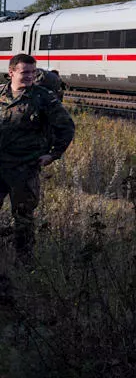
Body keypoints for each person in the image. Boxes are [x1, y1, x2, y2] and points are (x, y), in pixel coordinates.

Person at [1, 54, 74, 260]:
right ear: (11, 72)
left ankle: (24, 262)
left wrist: (53, 154)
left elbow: (66, 127)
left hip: (24, 169)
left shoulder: (43, 98)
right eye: (25, 72)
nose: (30, 77)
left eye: (33, 72)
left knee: (23, 218)